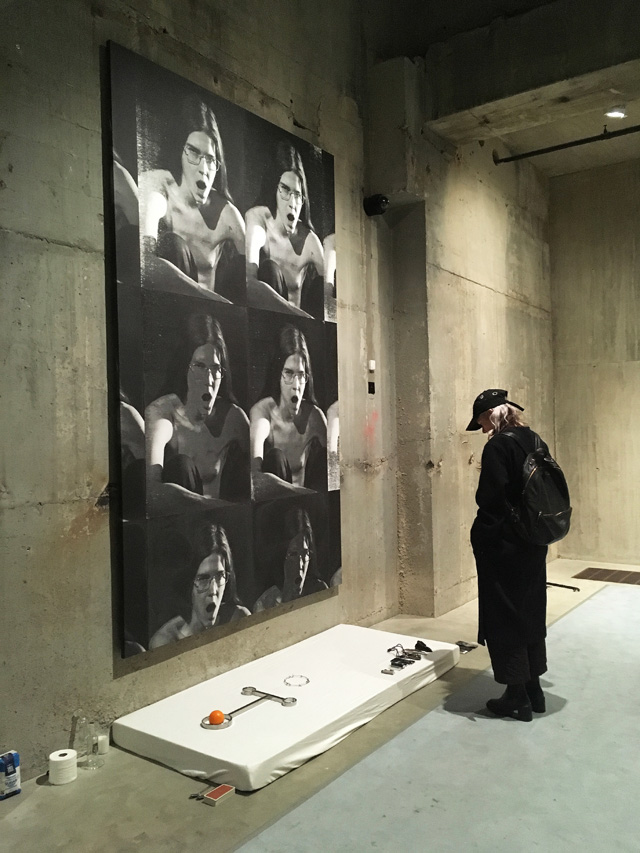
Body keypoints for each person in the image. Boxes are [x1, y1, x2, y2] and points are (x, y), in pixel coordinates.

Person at [467, 388, 549, 722]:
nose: (483, 428)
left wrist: (482, 535)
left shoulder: (499, 446)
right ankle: (534, 689)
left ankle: (515, 696)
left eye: (483, 420)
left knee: (504, 616)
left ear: (494, 414)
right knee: (529, 610)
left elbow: (492, 498)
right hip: (534, 541)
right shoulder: (533, 440)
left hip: (505, 547)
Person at [138, 96, 245, 301]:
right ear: (179, 152)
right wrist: (204, 295)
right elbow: (145, 261)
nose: (203, 169)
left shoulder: (227, 214)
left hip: (206, 318)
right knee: (173, 244)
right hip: (167, 307)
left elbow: (254, 280)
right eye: (193, 153)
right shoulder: (159, 186)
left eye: (211, 160)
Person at [146, 313, 250, 515]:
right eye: (200, 367)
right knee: (182, 466)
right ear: (183, 368)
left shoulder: (234, 417)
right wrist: (217, 508)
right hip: (180, 526)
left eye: (216, 368)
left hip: (222, 525)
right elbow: (151, 492)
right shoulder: (161, 413)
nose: (209, 380)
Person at [245, 141, 330, 317]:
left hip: (295, 327)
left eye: (297, 195)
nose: (292, 203)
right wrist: (298, 314)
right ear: (274, 189)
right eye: (285, 190)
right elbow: (248, 281)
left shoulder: (310, 240)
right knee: (270, 269)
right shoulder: (258, 218)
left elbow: (331, 296)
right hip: (263, 319)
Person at [250, 324, 327, 495]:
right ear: (277, 374)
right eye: (288, 373)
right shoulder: (262, 412)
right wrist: (299, 493)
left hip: (303, 505)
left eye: (301, 375)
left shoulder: (313, 416)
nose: (296, 385)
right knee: (276, 457)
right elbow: (254, 477)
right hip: (272, 505)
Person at [149, 523, 250, 648]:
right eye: (203, 579)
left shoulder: (238, 618)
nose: (213, 590)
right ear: (188, 583)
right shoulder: (165, 642)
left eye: (220, 576)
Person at [253, 508, 327, 611]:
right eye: (293, 554)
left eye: (305, 553)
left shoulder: (320, 590)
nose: (301, 564)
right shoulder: (265, 603)